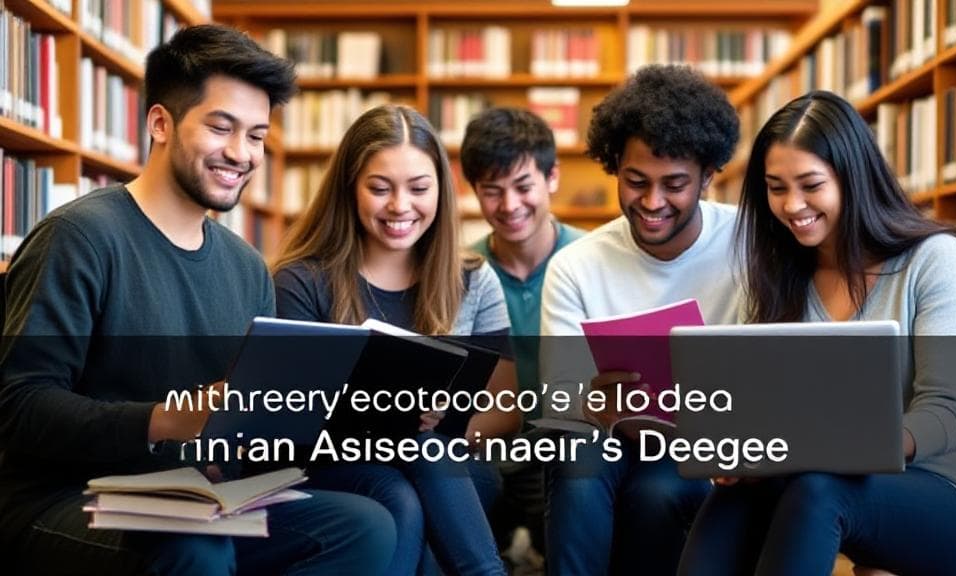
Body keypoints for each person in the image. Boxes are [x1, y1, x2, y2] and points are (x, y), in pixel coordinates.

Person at [0, 25, 396, 575]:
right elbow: (17, 406)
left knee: (361, 525)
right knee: (194, 544)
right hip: (66, 500)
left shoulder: (246, 266)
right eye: (221, 127)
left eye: (257, 135)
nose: (241, 153)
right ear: (160, 123)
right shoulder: (81, 237)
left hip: (193, 496)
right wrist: (165, 420)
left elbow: (245, 417)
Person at [677, 90, 956, 576]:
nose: (792, 205)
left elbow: (951, 412)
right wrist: (738, 445)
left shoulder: (933, 259)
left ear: (853, 177)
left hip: (941, 498)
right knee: (735, 497)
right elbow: (765, 407)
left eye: (810, 185)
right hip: (810, 478)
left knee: (819, 485)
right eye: (776, 187)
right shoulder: (779, 276)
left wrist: (850, 446)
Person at [272, 103, 519, 576]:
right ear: (350, 189)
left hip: (448, 461)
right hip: (328, 465)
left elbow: (504, 411)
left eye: (419, 188)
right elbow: (286, 424)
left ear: (441, 191)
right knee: (403, 490)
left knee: (423, 465)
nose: (400, 206)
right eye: (379, 188)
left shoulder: (474, 279)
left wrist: (446, 425)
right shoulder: (302, 281)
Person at [539, 64, 743, 575]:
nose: (652, 203)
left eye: (674, 184)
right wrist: (590, 402)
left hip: (705, 446)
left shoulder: (750, 245)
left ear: (708, 175)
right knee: (576, 460)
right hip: (606, 438)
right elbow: (559, 397)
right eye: (635, 182)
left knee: (659, 493)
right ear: (615, 169)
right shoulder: (576, 265)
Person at [460, 106, 586, 555]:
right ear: (473, 191)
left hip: (565, 451)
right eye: (492, 191)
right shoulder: (460, 272)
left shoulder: (591, 261)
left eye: (523, 186)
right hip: (485, 452)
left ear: (552, 178)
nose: (510, 206)